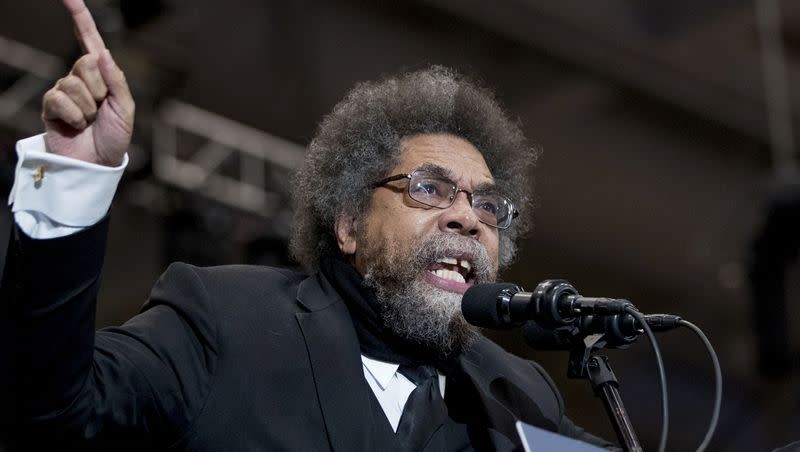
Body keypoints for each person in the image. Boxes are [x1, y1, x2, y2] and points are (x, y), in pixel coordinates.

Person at [0, 1, 616, 451]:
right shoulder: (226, 320)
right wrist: (69, 183)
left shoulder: (518, 394)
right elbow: (48, 412)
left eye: (488, 206)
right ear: (348, 223)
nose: (466, 216)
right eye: (431, 188)